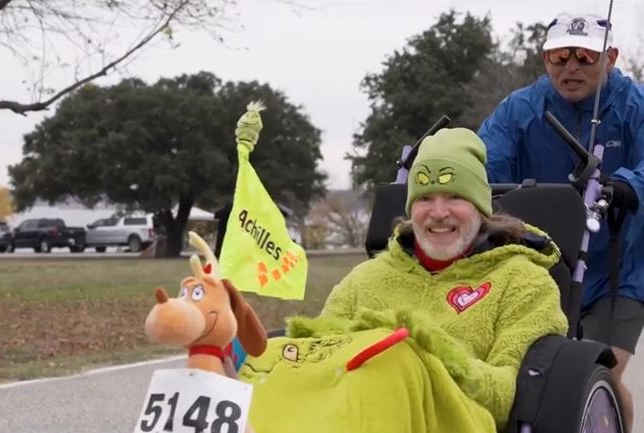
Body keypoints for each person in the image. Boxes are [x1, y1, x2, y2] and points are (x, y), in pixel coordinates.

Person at [238, 128, 568, 433]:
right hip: (350, 416)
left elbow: (505, 396)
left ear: (481, 207)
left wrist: (424, 351)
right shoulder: (365, 280)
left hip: (457, 421)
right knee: (270, 354)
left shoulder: (524, 282)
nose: (438, 212)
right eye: (425, 198)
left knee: (395, 358)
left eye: (454, 196)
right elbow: (322, 360)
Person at [477, 12, 644, 432]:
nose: (571, 67)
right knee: (530, 374)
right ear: (545, 59)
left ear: (610, 57)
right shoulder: (521, 108)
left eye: (585, 56)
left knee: (600, 373)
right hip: (544, 262)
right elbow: (485, 158)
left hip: (624, 265)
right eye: (560, 56)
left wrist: (628, 187)